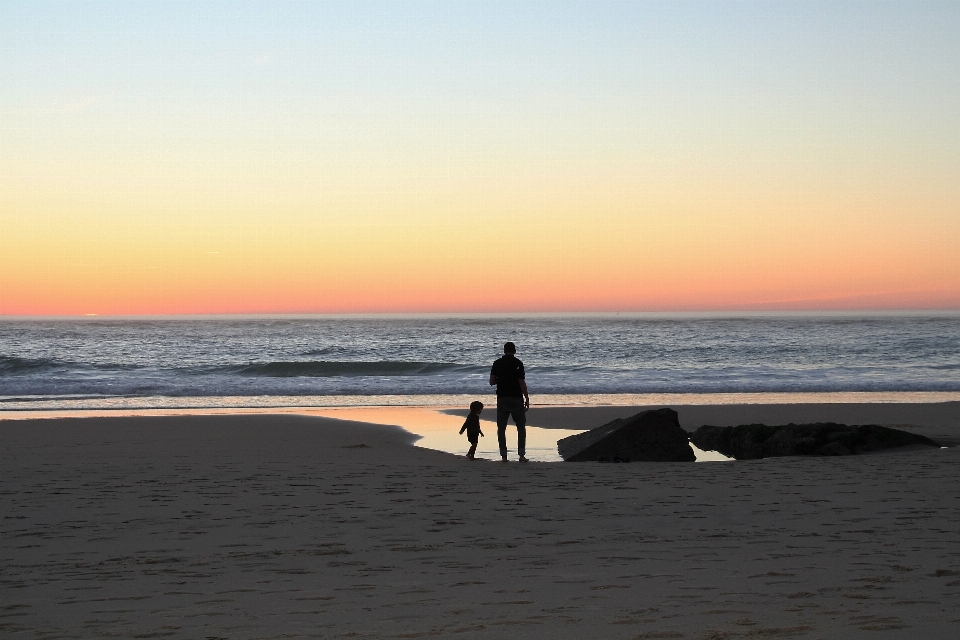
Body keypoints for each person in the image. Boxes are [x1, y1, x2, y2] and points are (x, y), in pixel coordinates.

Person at [489, 341, 530, 462]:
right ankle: (521, 455)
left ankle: (504, 456)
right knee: (521, 427)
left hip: (502, 398)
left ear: (504, 350)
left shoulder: (497, 363)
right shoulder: (518, 363)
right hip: (516, 398)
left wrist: (500, 379)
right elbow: (521, 382)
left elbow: (491, 381)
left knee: (501, 428)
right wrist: (527, 398)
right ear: (515, 351)